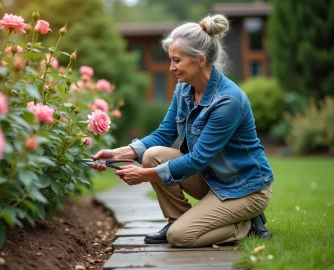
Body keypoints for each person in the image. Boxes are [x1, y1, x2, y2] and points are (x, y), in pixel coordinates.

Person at [90, 14, 273, 247]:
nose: (171, 68)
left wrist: (144, 176)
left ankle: (245, 224)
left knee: (180, 237)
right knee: (152, 155)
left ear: (199, 59)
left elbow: (198, 159)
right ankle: (176, 219)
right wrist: (116, 154)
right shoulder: (184, 90)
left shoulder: (228, 101)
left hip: (244, 188)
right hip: (213, 178)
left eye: (177, 60)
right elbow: (164, 134)